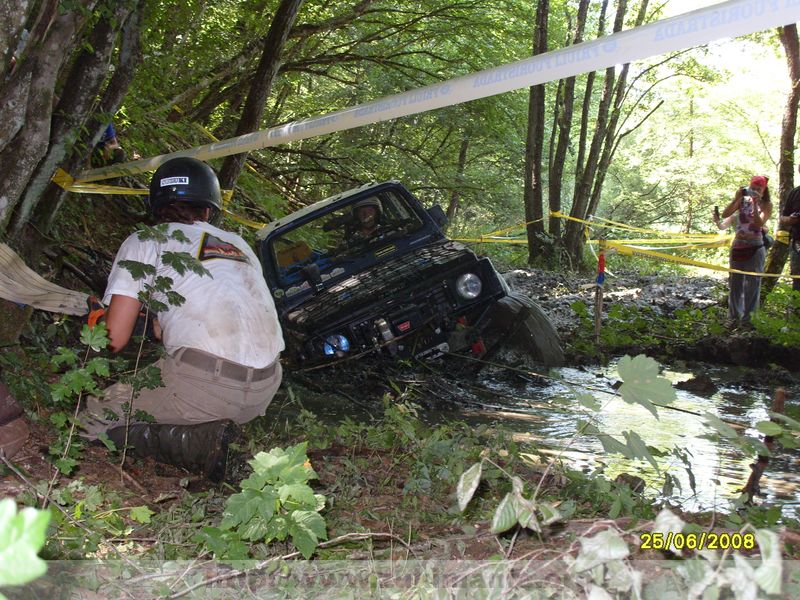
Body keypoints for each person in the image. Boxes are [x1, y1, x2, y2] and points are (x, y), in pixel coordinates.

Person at [79, 157, 284, 480]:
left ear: (158, 205)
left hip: (206, 387)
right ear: (208, 209)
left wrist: (95, 320)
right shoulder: (238, 244)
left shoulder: (146, 241)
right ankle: (203, 428)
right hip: (265, 387)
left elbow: (114, 340)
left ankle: (197, 442)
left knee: (91, 419)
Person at [719, 175, 772, 328]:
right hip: (738, 245)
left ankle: (748, 321)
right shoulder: (741, 200)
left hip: (755, 246)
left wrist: (755, 204)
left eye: (758, 189)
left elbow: (759, 222)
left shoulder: (767, 204)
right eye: (752, 188)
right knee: (735, 283)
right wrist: (737, 198)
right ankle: (734, 318)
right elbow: (725, 214)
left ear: (764, 190)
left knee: (753, 285)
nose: (755, 191)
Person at [779, 165, 800, 293]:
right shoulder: (795, 192)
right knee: (797, 282)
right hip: (797, 243)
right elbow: (783, 217)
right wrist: (790, 219)